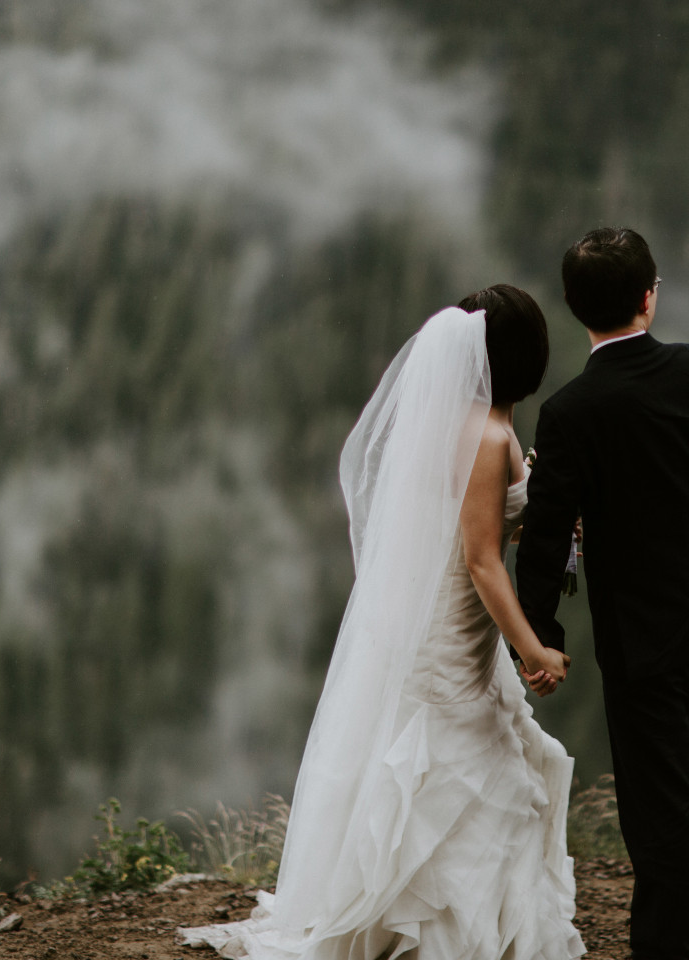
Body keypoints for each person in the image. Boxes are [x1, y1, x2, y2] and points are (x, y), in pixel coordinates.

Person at [181, 285, 585, 960]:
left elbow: (473, 528)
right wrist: (534, 650)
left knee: (454, 763)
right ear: (528, 356)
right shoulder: (487, 436)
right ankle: (436, 926)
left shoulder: (469, 427)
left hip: (445, 626)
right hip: (458, 629)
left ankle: (420, 913)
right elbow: (482, 562)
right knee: (460, 757)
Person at [516, 228, 689, 960]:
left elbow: (545, 537)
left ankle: (665, 945)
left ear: (573, 307)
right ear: (650, 298)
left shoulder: (571, 413)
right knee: (676, 773)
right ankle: (669, 934)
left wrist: (542, 633)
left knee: (655, 803)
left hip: (638, 638)